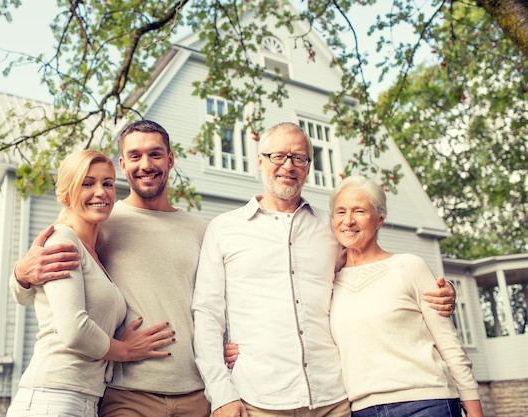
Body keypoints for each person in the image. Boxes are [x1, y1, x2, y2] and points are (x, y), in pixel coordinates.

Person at [191, 122, 456, 417]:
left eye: (299, 158)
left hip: (335, 399)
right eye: (278, 156)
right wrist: (221, 393)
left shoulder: (331, 228)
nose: (288, 166)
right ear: (260, 160)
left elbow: (371, 273)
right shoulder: (225, 229)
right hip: (259, 399)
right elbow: (206, 315)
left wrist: (439, 290)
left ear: (308, 166)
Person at [9, 121, 211, 417]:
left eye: (155, 154)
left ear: (170, 159)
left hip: (194, 391)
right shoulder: (98, 219)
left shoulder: (201, 230)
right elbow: (40, 285)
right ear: (123, 164)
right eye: (135, 156)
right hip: (123, 392)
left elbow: (217, 302)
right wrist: (20, 275)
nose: (146, 164)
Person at [328, 175, 483, 417]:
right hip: (362, 409)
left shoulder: (409, 267)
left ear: (379, 220)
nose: (348, 220)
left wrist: (475, 411)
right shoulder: (330, 282)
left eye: (359, 211)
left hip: (427, 402)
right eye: (340, 212)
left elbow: (449, 344)